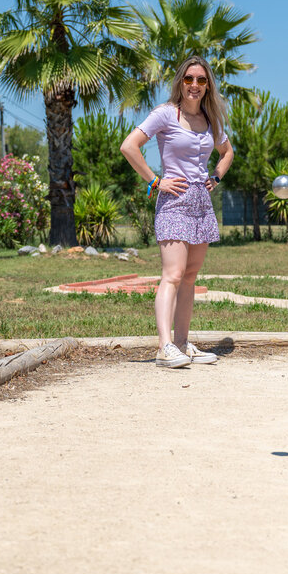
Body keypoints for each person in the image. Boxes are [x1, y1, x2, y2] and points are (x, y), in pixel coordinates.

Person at [120, 56, 235, 368]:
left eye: (201, 80)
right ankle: (164, 346)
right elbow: (129, 146)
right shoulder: (166, 114)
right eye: (188, 79)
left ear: (208, 85)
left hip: (201, 204)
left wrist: (216, 177)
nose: (194, 85)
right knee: (172, 274)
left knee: (189, 277)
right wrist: (155, 181)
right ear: (180, 82)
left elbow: (227, 152)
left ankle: (182, 344)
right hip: (174, 201)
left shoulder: (211, 120)